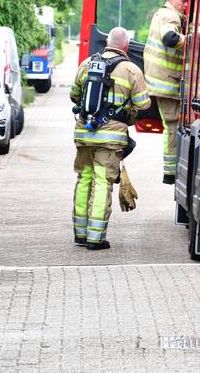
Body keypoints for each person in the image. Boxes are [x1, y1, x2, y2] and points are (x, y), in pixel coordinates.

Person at [70, 27, 150, 250]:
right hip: (110, 138)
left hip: (84, 133)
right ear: (126, 46)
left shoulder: (87, 64)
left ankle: (80, 233)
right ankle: (96, 238)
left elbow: (74, 95)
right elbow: (144, 104)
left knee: (84, 179)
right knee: (102, 182)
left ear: (107, 42)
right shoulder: (131, 70)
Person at [145, 0, 189, 184]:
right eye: (183, 1)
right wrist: (192, 40)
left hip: (161, 81)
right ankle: (170, 173)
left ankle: (171, 170)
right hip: (167, 83)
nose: (186, 6)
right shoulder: (170, 17)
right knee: (172, 125)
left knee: (170, 125)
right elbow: (169, 38)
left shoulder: (160, 14)